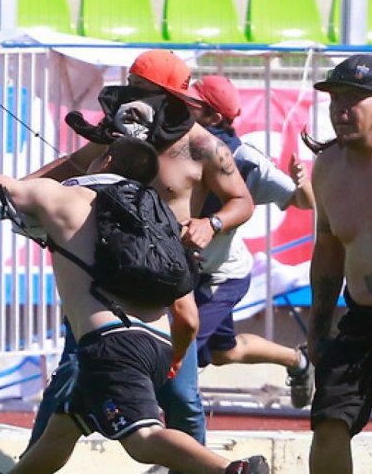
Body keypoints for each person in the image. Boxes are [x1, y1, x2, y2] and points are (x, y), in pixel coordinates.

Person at [0, 102, 269, 474]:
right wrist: (173, 360)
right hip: (157, 346)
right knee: (62, 431)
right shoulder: (164, 222)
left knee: (142, 440)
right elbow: (187, 315)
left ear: (104, 161)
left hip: (111, 344)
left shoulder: (65, 197)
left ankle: (233, 470)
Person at [25, 49, 255, 452]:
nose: (131, 97)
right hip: (104, 276)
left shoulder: (203, 146)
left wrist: (210, 223)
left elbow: (242, 201)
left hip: (163, 282)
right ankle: (33, 457)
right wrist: (12, 191)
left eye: (142, 90)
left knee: (180, 395)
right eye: (130, 86)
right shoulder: (117, 136)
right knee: (69, 377)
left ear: (171, 98)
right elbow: (64, 168)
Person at [180, 75, 316, 410]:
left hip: (220, 276)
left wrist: (303, 182)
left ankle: (178, 446)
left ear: (213, 118)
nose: (184, 105)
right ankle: (298, 362)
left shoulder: (245, 160)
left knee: (179, 356)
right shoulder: (176, 142)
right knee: (224, 352)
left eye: (193, 103)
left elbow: (304, 202)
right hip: (188, 272)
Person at [306, 54, 372, 473]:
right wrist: (319, 327)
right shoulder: (326, 168)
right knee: (328, 421)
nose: (340, 110)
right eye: (334, 99)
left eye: (353, 99)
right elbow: (328, 250)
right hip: (364, 317)